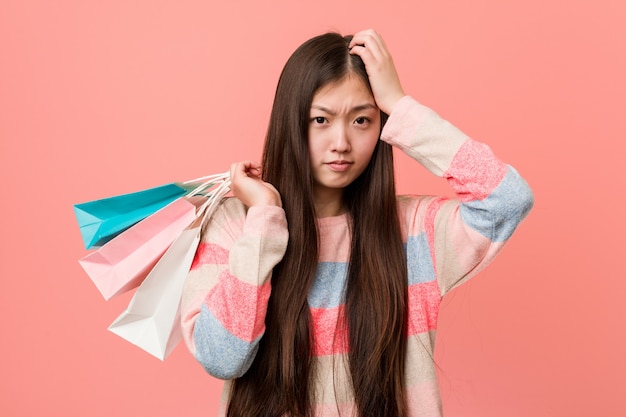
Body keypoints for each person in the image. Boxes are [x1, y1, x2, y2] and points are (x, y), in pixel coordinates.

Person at [181, 29, 534, 417]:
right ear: (291, 123)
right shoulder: (237, 225)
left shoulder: (414, 232)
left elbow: (508, 199)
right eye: (321, 119)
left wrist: (400, 105)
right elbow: (221, 358)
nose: (341, 142)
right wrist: (264, 221)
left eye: (362, 120)